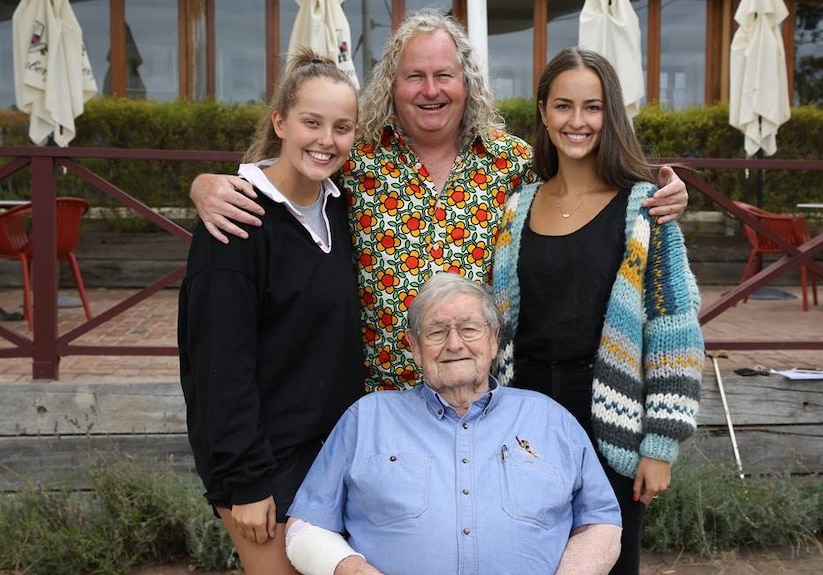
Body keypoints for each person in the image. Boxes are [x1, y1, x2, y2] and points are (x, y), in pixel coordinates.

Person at [188, 9, 691, 392]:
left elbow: (587, 182)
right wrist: (208, 185)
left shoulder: (513, 162)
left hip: (484, 398)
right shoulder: (356, 157)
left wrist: (662, 194)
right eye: (415, 77)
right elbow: (290, 175)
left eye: (444, 76)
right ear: (393, 84)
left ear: (467, 83)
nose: (431, 90)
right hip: (378, 401)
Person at [491, 47, 704, 575]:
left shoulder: (645, 209)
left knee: (608, 560)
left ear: (611, 115)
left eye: (593, 107)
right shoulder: (516, 207)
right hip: (525, 413)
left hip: (609, 416)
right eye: (564, 106)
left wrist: (661, 444)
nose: (577, 121)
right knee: (526, 556)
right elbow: (504, 323)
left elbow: (675, 329)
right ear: (543, 112)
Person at [283, 272, 623, 575]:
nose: (454, 343)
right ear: (414, 348)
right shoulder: (367, 419)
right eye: (436, 332)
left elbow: (601, 523)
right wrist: (352, 570)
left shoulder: (551, 420)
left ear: (493, 340)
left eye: (468, 328)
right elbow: (305, 529)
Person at [177, 50, 365, 575]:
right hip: (264, 462)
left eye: (342, 127)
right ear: (280, 121)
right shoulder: (237, 223)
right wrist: (247, 482)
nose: (326, 140)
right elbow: (220, 366)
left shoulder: (341, 208)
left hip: (331, 455)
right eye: (312, 122)